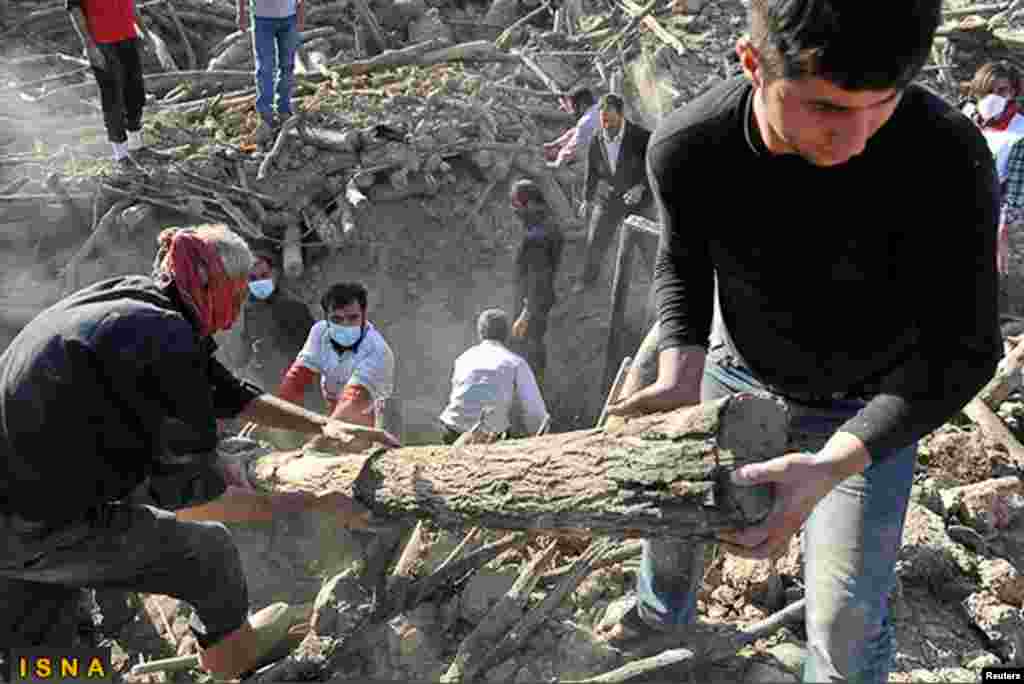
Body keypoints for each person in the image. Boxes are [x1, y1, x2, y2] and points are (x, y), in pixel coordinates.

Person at [602, 1, 1000, 682]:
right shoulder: (689, 146)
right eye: (825, 108)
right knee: (671, 520)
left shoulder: (947, 154)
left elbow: (965, 347)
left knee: (845, 626)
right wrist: (680, 370)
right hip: (734, 372)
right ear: (753, 64)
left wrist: (835, 462)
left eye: (881, 105)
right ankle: (657, 620)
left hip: (869, 405)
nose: (855, 139)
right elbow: (683, 261)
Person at [0, 225, 398, 675]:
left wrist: (323, 425)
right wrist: (316, 502)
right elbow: (196, 501)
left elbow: (223, 389)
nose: (239, 309)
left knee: (44, 640)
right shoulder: (166, 336)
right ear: (217, 285)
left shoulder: (135, 302)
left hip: (27, 487)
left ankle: (47, 657)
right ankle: (234, 668)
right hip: (34, 525)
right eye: (239, 293)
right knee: (210, 554)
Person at [277, 282, 395, 428]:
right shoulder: (320, 332)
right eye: (337, 319)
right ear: (326, 319)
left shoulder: (377, 350)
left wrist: (324, 434)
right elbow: (297, 378)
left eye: (353, 318)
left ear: (364, 316)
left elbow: (354, 399)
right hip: (335, 407)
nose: (345, 325)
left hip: (370, 416)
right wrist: (272, 414)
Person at [577, 93, 654, 291]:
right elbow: (592, 171)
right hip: (609, 198)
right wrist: (587, 199)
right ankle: (587, 280)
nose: (606, 125)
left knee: (648, 244)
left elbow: (654, 166)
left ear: (621, 116)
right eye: (603, 120)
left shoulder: (641, 137)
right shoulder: (597, 139)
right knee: (596, 240)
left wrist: (641, 187)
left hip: (638, 200)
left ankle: (659, 282)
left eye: (610, 120)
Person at [439, 309, 549, 443]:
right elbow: (535, 413)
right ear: (506, 335)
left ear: (480, 334)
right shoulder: (515, 363)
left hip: (451, 432)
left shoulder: (463, 358)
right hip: (488, 438)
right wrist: (540, 438)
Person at [66, 0, 146, 162]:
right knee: (112, 98)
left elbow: (130, 4)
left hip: (129, 38)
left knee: (136, 94)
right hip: (102, 44)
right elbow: (75, 10)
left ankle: (137, 147)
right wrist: (89, 46)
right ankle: (121, 156)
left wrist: (145, 32)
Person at [508, 179, 564, 390]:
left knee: (528, 343)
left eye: (516, 205)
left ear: (530, 204)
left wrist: (525, 313)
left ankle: (531, 387)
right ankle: (536, 383)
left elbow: (538, 277)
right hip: (542, 296)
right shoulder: (550, 224)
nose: (514, 210)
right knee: (534, 340)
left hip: (532, 302)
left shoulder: (536, 237)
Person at [238, 0, 305, 142]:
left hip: (289, 17)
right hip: (262, 18)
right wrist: (241, 13)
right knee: (265, 68)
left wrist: (301, 11)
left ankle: (284, 110)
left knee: (287, 65)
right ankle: (266, 115)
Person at [544, 87, 599, 169]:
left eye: (573, 106)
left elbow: (570, 152)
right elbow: (576, 131)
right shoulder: (598, 110)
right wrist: (555, 144)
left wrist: (557, 162)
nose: (572, 110)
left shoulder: (585, 122)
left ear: (582, 105)